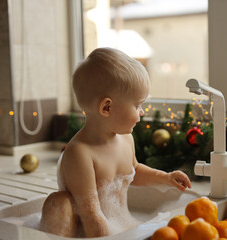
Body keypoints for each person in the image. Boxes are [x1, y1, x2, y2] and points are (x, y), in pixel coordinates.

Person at [40, 47, 191, 238]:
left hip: (120, 225)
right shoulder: (80, 153)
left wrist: (165, 178)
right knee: (59, 202)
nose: (142, 112)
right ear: (107, 107)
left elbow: (133, 172)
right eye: (137, 105)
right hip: (91, 232)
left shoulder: (126, 138)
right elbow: (90, 214)